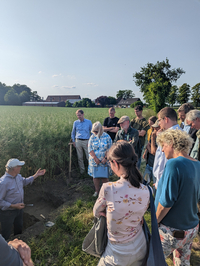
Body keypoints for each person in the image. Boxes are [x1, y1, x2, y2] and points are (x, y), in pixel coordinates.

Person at [93, 141, 150, 266]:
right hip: (141, 245)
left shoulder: (108, 189)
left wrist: (106, 213)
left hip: (117, 253)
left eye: (109, 162)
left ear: (115, 163)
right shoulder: (147, 190)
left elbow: (96, 212)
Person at [155, 129, 200, 266]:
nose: (162, 150)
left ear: (172, 143)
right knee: (182, 262)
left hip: (172, 230)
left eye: (163, 145)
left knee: (154, 260)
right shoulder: (197, 164)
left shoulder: (174, 164)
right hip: (191, 228)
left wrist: (155, 220)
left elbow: (166, 203)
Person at [0, 158, 46, 240]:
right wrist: (14, 206)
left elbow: (24, 181)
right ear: (14, 168)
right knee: (6, 233)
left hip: (19, 210)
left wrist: (36, 175)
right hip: (8, 213)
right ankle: (5, 250)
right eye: (19, 166)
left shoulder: (18, 176)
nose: (21, 167)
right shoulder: (3, 183)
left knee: (19, 228)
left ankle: (18, 244)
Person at [153, 107, 182, 189]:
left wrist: (159, 182)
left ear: (166, 119)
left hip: (165, 181)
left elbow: (163, 161)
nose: (158, 123)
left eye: (159, 120)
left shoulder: (169, 136)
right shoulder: (182, 133)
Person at [88, 121, 112, 197]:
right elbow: (90, 149)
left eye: (96, 131)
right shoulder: (92, 137)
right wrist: (95, 158)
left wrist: (105, 158)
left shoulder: (107, 137)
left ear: (100, 130)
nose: (94, 132)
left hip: (105, 161)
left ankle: (106, 192)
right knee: (95, 177)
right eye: (93, 131)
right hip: (94, 161)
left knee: (104, 177)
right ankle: (97, 191)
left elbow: (110, 148)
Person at [71, 109, 92, 173]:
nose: (79, 117)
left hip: (86, 141)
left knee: (89, 157)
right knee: (80, 157)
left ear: (83, 114)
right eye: (77, 115)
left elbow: (92, 132)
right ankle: (82, 172)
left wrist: (90, 141)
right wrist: (73, 141)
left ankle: (90, 171)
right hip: (78, 141)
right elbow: (73, 132)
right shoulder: (75, 122)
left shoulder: (89, 122)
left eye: (80, 115)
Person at [143, 119, 160, 186]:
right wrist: (148, 151)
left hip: (156, 166)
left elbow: (155, 152)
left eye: (156, 127)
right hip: (149, 164)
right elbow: (147, 145)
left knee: (155, 186)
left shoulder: (160, 138)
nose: (154, 129)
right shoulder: (153, 134)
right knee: (145, 183)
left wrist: (151, 150)